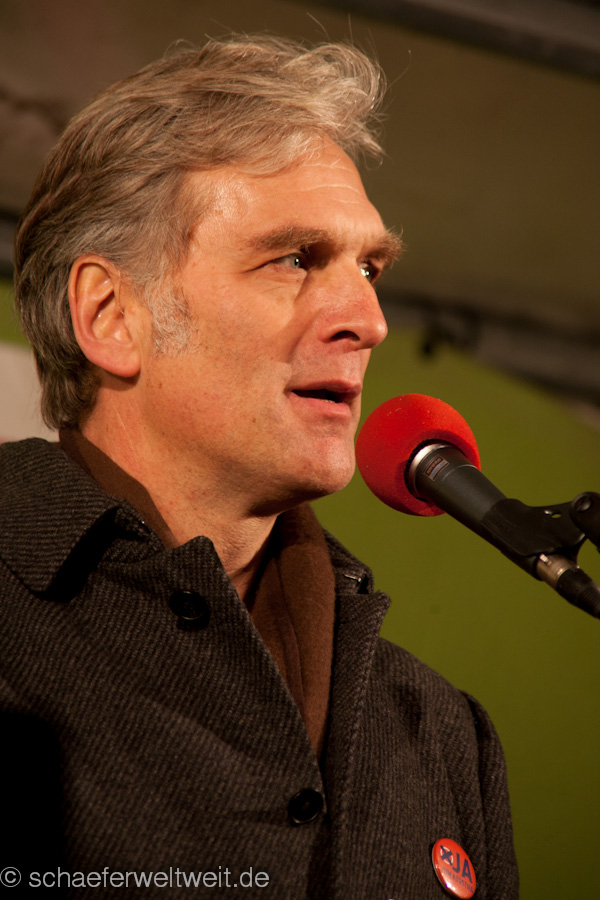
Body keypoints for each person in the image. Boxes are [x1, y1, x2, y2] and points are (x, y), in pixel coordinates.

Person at [1, 34, 518, 898]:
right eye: (295, 259)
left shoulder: (443, 735)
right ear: (110, 315)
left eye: (370, 266)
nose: (370, 319)